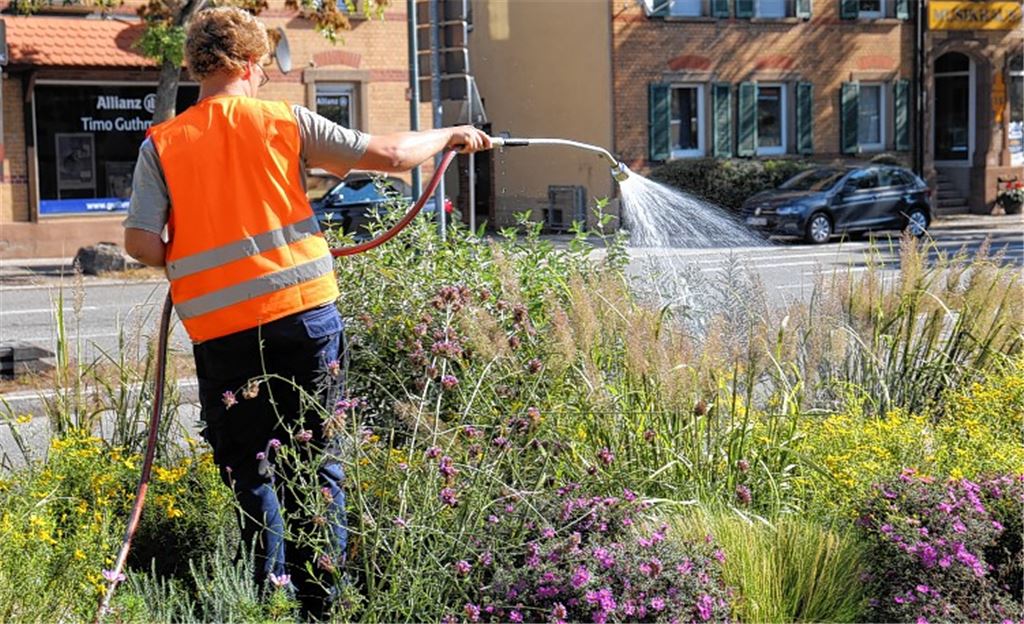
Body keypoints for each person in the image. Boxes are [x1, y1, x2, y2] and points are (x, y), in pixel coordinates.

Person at [122, 6, 491, 618]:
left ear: (196, 67)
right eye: (264, 66)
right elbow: (394, 153)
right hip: (303, 319)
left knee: (251, 470)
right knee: (317, 462)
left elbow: (138, 243)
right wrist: (451, 136)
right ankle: (325, 606)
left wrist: (189, 259)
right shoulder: (282, 121)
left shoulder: (163, 144)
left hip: (220, 334)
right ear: (247, 63)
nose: (265, 76)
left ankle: (265, 603)